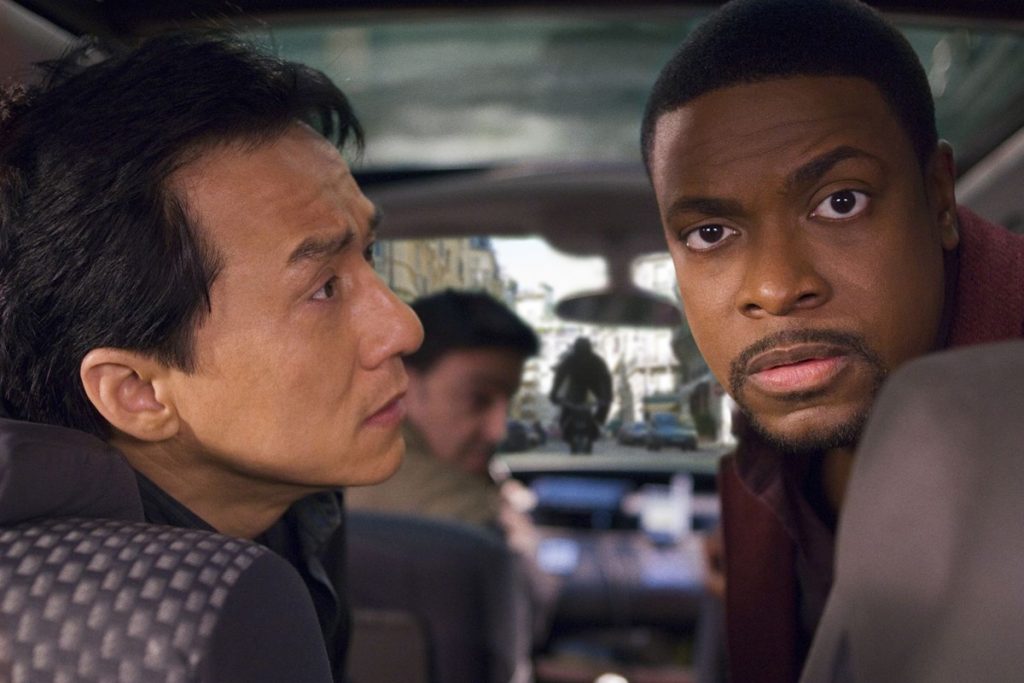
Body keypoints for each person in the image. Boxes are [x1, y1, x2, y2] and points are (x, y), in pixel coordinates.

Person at [0, 32, 423, 681]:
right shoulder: (102, 630)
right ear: (138, 391)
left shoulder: (298, 508)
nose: (403, 327)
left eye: (367, 254)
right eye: (323, 289)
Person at [639, 0, 1024, 680]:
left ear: (939, 197)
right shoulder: (764, 458)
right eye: (709, 233)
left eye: (841, 202)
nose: (775, 287)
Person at [345, 288, 556, 638]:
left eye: (507, 402)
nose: (498, 430)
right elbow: (534, 602)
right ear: (403, 385)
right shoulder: (462, 511)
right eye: (478, 399)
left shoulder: (353, 458)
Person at [548, 337, 613, 453]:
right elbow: (559, 376)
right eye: (580, 353)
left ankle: (597, 422)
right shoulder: (571, 360)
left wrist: (606, 397)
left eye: (585, 353)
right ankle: (567, 427)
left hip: (594, 382)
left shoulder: (596, 360)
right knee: (569, 406)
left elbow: (606, 379)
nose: (583, 357)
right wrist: (553, 393)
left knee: (604, 401)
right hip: (577, 384)